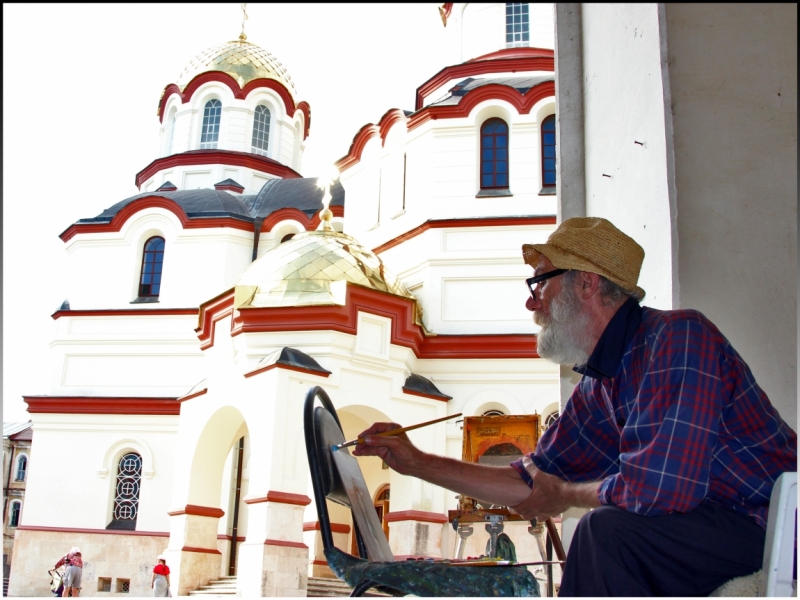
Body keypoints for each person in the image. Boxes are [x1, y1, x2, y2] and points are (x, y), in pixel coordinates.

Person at [353, 217, 797, 596]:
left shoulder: (678, 337)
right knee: (607, 535)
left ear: (585, 282)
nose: (532, 301)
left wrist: (564, 495)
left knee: (605, 534)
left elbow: (658, 492)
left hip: (768, 527)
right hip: (702, 530)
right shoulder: (599, 385)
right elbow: (531, 483)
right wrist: (415, 462)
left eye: (539, 282)